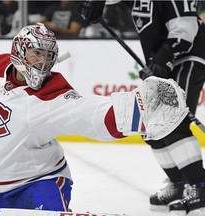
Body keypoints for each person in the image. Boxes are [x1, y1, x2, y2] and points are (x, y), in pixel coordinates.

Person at [0, 23, 187, 215]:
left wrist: (139, 111)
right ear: (19, 51)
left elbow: (94, 115)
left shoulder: (53, 96)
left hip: (37, 184)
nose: (43, 63)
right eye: (37, 54)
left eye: (48, 56)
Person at [78, 1, 205, 215]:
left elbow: (185, 26)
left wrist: (163, 58)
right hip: (161, 62)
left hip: (187, 56)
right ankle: (180, 183)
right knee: (150, 126)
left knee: (173, 123)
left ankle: (200, 187)